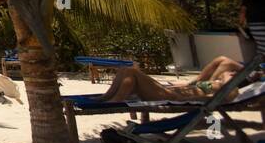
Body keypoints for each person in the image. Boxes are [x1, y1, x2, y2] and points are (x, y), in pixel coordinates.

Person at [95, 54, 252, 104]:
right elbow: (224, 60)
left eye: (233, 75)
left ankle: (115, 100)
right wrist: (251, 72)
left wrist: (227, 77)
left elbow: (213, 99)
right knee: (125, 70)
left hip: (172, 97)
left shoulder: (231, 90)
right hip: (170, 91)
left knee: (131, 71)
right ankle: (107, 97)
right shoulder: (215, 83)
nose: (230, 73)